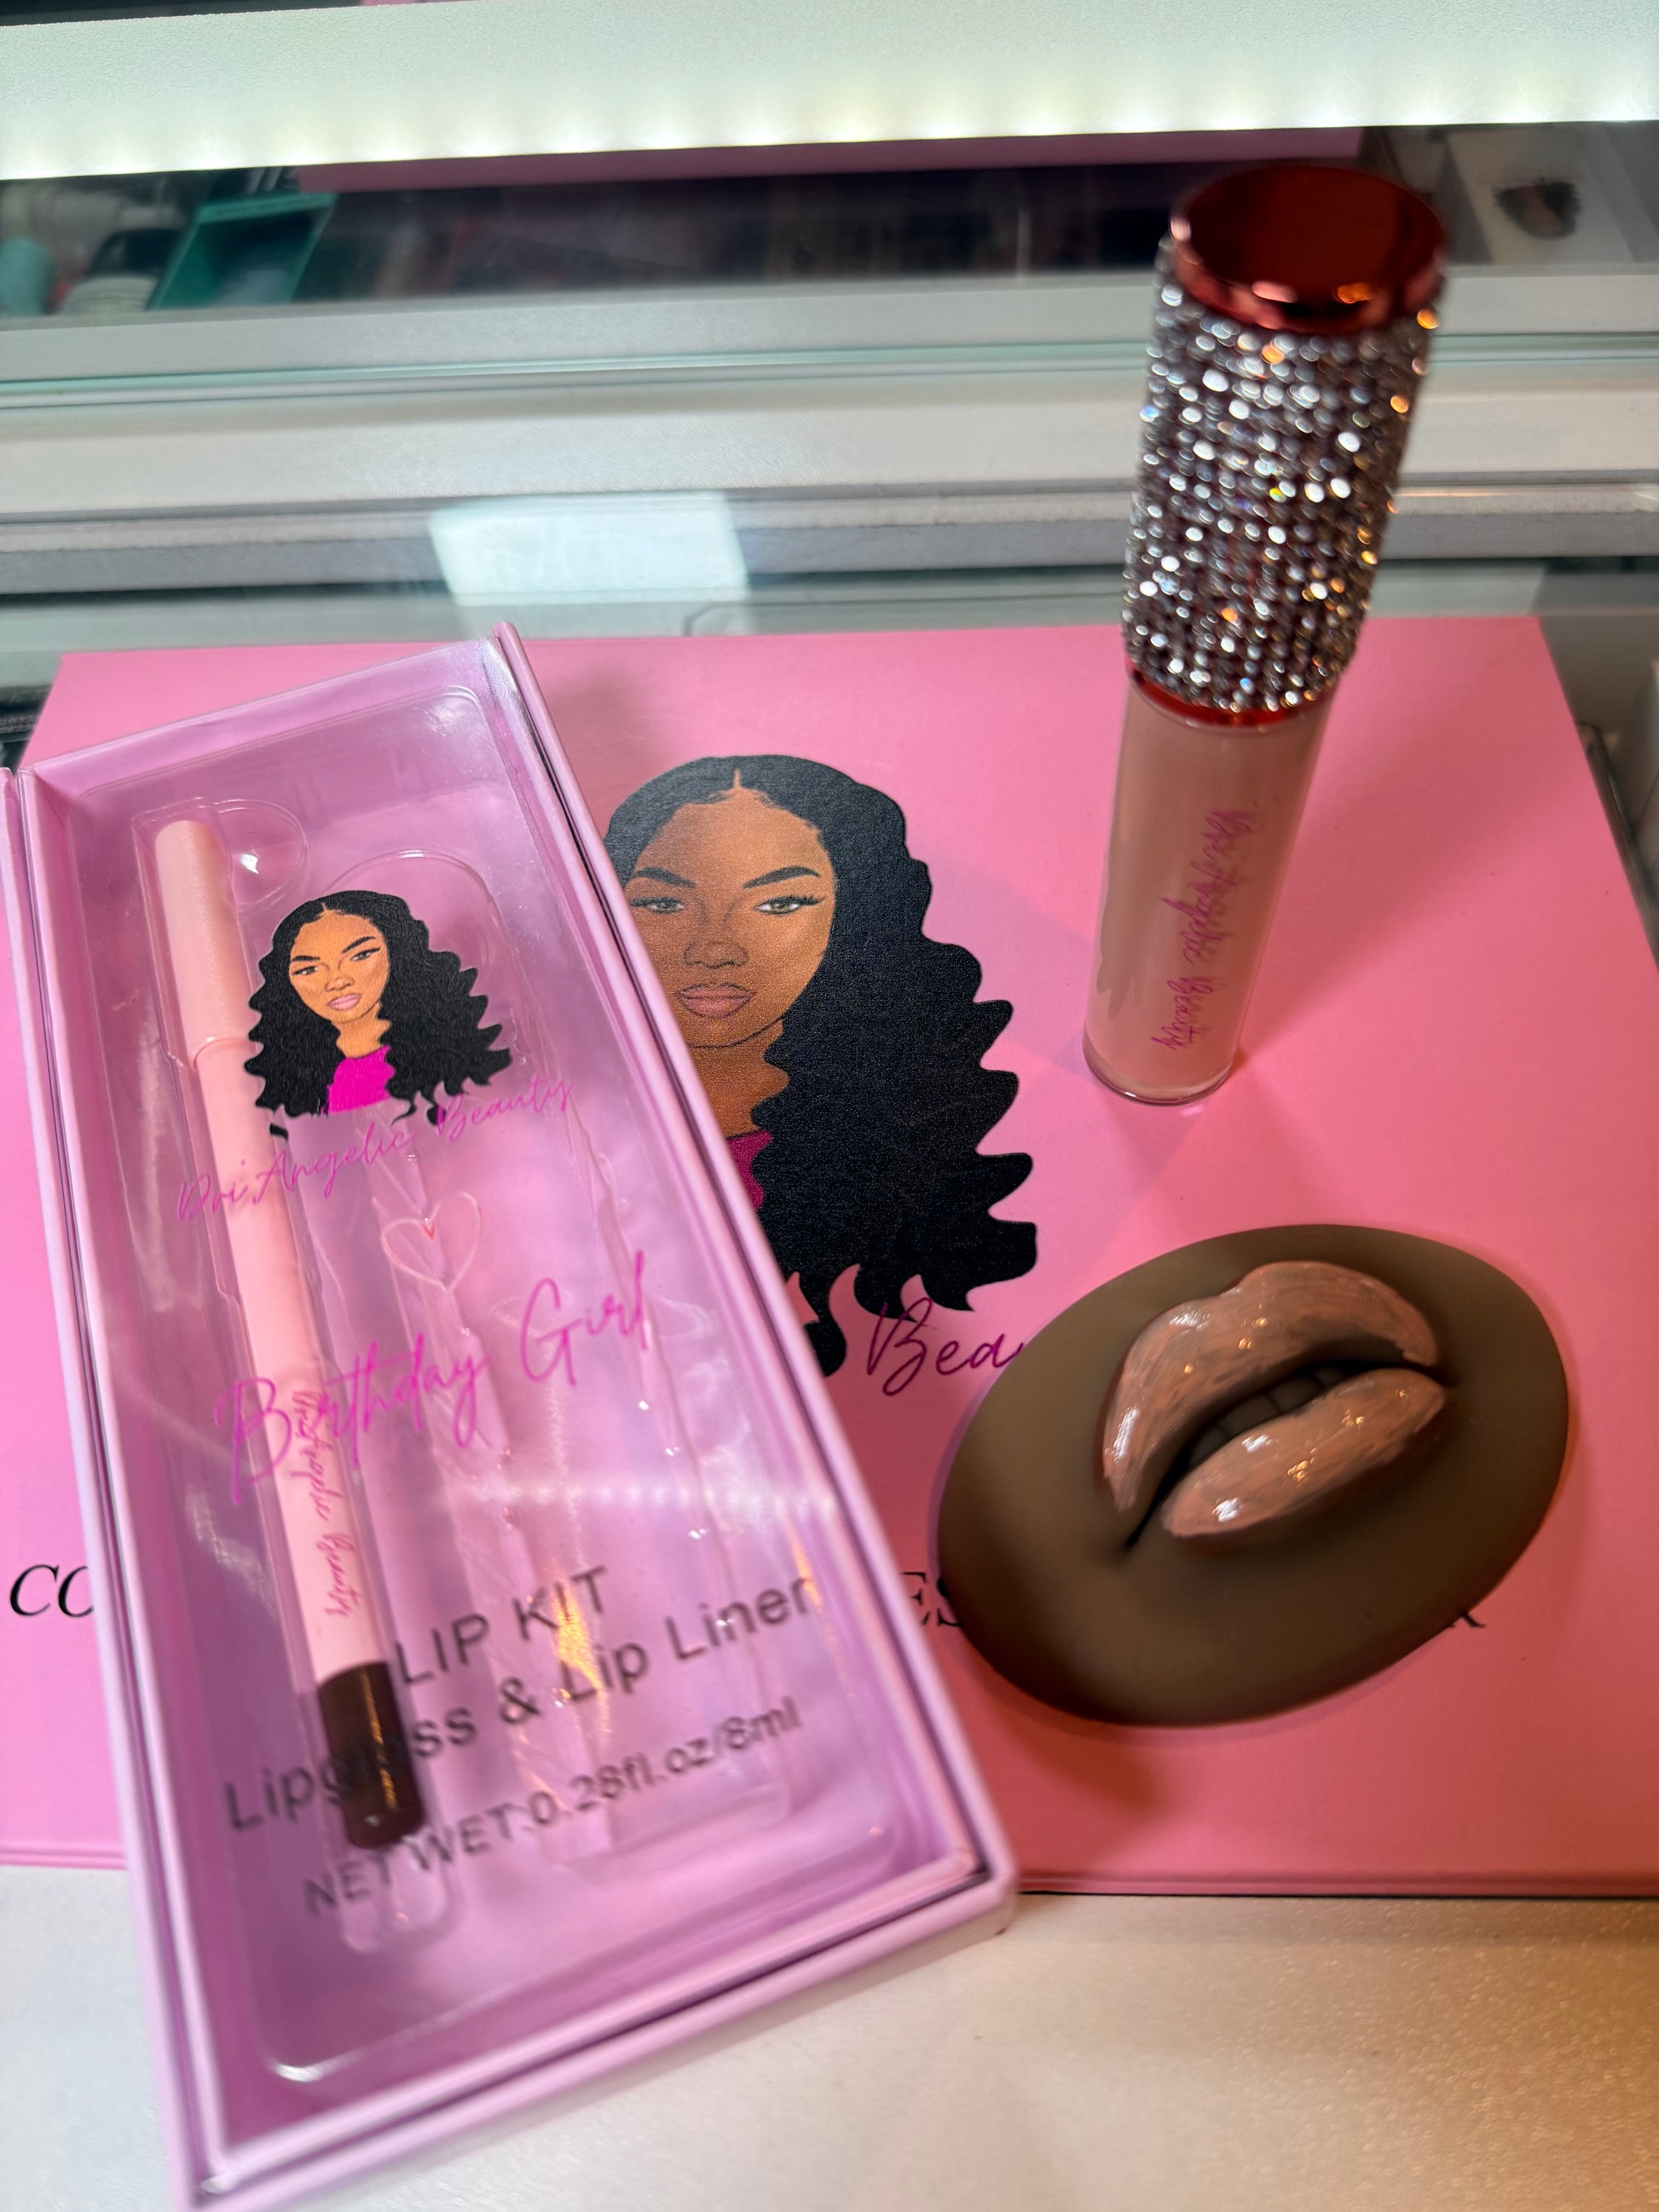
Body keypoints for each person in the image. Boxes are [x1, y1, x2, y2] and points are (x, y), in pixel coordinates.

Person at [605, 755, 1035, 1374]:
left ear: (853, 918)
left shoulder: (895, 1141)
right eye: (663, 904)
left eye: (780, 903)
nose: (713, 948)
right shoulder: (566, 1125)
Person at [246, 890, 510, 1130]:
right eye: (308, 970)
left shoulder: (449, 1047)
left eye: (360, 956)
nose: (337, 981)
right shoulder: (290, 1081)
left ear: (396, 952)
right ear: (286, 981)